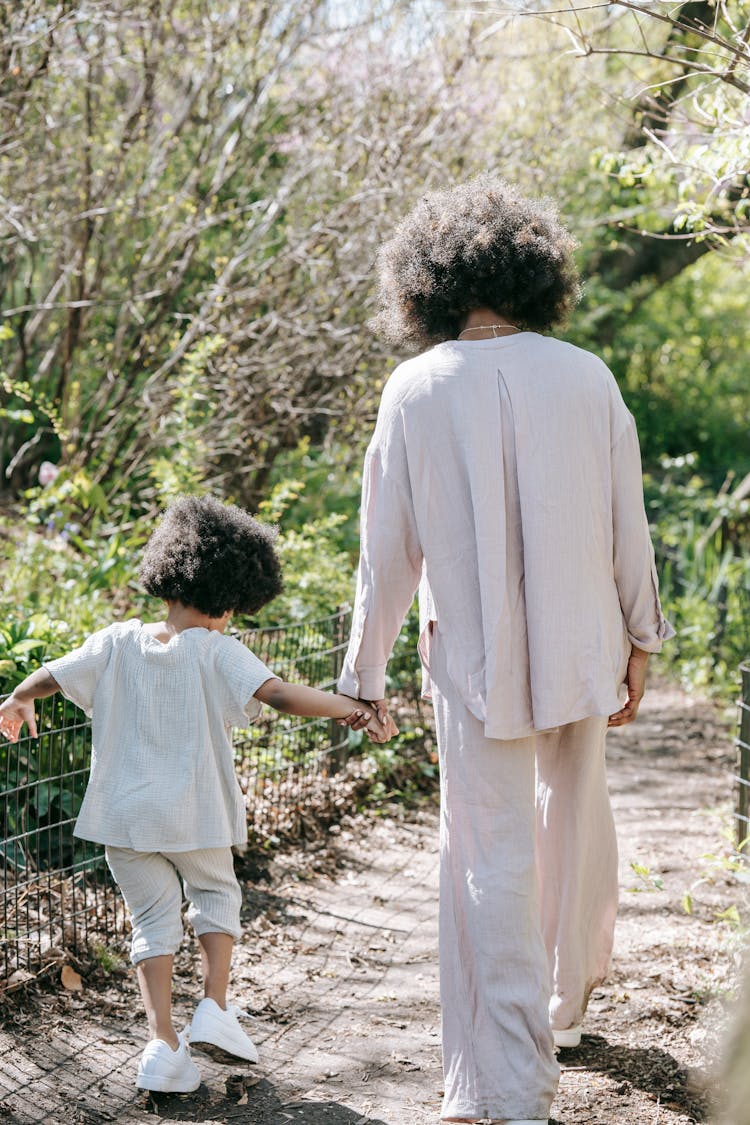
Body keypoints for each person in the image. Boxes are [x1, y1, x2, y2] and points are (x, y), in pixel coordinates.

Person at [337, 176, 674, 1124]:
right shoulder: (587, 376)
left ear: (429, 283)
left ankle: (509, 1077)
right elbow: (627, 527)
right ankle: (565, 1007)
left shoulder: (414, 387)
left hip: (472, 664)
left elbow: (385, 550)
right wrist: (641, 639)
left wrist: (365, 676)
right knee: (572, 819)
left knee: (488, 853)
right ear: (535, 272)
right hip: (585, 649)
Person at [0, 495, 386, 1095]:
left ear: (168, 578)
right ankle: (213, 1008)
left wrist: (20, 696)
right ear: (230, 600)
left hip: (123, 820)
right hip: (196, 814)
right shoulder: (216, 650)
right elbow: (279, 695)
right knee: (214, 894)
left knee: (150, 922)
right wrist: (350, 708)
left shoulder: (117, 640)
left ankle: (163, 1047)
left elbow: (54, 673)